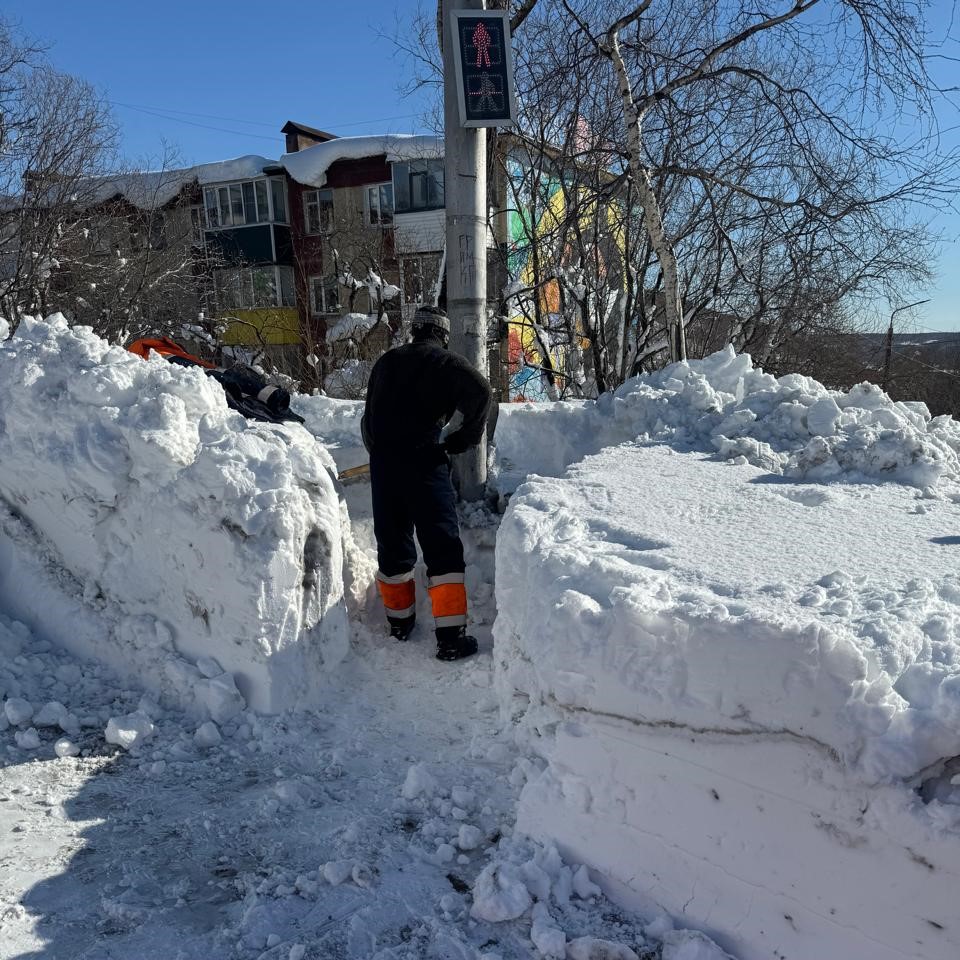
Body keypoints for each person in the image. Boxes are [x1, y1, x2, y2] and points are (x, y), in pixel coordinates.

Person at [361, 306, 492, 661]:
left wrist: (380, 451)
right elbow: (482, 391)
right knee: (441, 546)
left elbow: (368, 419)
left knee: (393, 544)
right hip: (424, 462)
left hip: (385, 466)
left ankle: (399, 624)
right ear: (442, 335)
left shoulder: (386, 363)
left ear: (415, 330)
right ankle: (450, 639)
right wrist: (463, 439)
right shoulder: (445, 362)